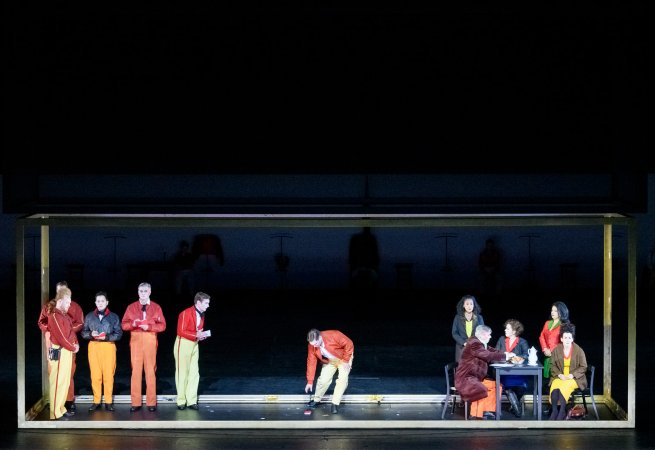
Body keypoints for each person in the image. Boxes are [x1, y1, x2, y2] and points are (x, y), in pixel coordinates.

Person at [37, 280, 84, 412]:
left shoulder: (74, 306)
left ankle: (68, 400)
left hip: (69, 341)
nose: (61, 293)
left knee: (69, 372)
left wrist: (66, 331)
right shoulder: (49, 306)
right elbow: (41, 322)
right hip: (53, 342)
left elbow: (80, 323)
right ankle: (54, 402)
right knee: (54, 372)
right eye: (59, 291)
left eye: (64, 291)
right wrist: (53, 329)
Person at [121, 282, 167, 412]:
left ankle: (151, 402)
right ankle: (135, 402)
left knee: (150, 370)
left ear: (150, 292)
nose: (143, 293)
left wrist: (150, 327)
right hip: (136, 339)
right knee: (135, 371)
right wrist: (133, 324)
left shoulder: (156, 307)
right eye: (141, 291)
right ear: (138, 292)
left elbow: (162, 325)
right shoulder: (131, 307)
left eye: (145, 291)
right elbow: (124, 325)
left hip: (150, 339)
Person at [455, 324, 515, 420]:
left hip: (475, 378)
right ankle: (475, 415)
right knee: (480, 388)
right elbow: (487, 355)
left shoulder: (481, 343)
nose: (490, 337)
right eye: (489, 334)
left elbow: (492, 350)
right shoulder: (474, 343)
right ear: (483, 334)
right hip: (466, 378)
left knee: (497, 385)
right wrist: (505, 357)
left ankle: (487, 410)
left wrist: (505, 353)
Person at [81, 291, 123, 412]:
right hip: (94, 346)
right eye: (98, 301)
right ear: (95, 302)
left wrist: (107, 337)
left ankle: (108, 402)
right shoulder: (89, 316)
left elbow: (119, 334)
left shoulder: (114, 317)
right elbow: (83, 332)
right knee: (95, 375)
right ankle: (96, 401)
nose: (100, 303)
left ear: (107, 302)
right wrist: (91, 334)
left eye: (102, 301)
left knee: (109, 375)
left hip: (108, 346)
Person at [45, 286, 80, 420]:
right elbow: (61, 337)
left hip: (67, 351)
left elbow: (71, 332)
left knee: (65, 382)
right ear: (60, 301)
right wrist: (73, 347)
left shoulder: (64, 316)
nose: (69, 305)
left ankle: (61, 408)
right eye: (67, 302)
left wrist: (75, 343)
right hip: (60, 352)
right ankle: (55, 412)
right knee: (57, 382)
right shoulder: (54, 315)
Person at [174, 291, 211, 410]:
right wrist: (196, 335)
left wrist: (200, 335)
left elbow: (198, 329)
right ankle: (181, 400)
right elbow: (181, 331)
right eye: (206, 303)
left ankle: (191, 400)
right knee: (182, 373)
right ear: (198, 302)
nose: (208, 305)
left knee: (194, 372)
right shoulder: (185, 313)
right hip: (183, 343)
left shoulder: (202, 314)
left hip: (194, 344)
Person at [304, 328, 354, 414]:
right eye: (312, 344)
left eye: (316, 343)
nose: (314, 346)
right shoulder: (312, 345)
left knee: (342, 379)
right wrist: (310, 381)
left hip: (343, 358)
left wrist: (346, 360)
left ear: (320, 337)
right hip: (330, 360)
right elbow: (311, 362)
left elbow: (349, 343)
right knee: (323, 380)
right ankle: (316, 400)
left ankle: (335, 403)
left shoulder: (334, 335)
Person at [548, 322, 588, 420]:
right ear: (561, 339)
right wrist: (559, 375)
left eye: (569, 338)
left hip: (575, 378)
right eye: (565, 338)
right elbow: (552, 365)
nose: (567, 340)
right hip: (560, 376)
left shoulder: (579, 350)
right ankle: (554, 411)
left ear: (572, 339)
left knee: (564, 385)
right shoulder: (557, 350)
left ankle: (562, 411)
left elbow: (583, 366)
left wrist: (572, 375)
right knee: (555, 384)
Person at [495, 318, 530, 417]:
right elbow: (496, 353)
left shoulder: (522, 342)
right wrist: (504, 355)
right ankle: (518, 411)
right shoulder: (501, 340)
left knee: (522, 386)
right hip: (504, 372)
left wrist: (516, 356)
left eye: (508, 329)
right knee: (507, 386)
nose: (505, 330)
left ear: (514, 331)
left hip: (517, 372)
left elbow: (526, 355)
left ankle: (513, 407)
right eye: (505, 328)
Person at [538, 301, 570, 379]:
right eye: (552, 310)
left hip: (558, 355)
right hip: (547, 355)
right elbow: (542, 336)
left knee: (556, 377)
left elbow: (565, 342)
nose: (552, 312)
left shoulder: (564, 325)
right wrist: (545, 349)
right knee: (548, 376)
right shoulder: (547, 323)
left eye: (555, 311)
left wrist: (551, 350)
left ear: (561, 312)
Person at [451, 294, 484, 362]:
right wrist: (464, 343)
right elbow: (454, 333)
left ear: (474, 305)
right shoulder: (458, 317)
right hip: (461, 347)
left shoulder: (479, 318)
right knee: (462, 367)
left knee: (474, 366)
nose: (469, 306)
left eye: (471, 304)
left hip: (475, 347)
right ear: (463, 305)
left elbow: (482, 332)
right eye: (467, 304)